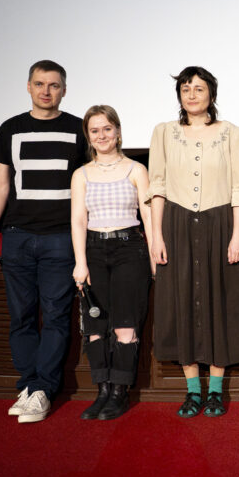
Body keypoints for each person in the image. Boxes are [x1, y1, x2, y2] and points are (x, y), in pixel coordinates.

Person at [0, 60, 86, 423]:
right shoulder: (11, 128)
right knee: (21, 317)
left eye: (54, 85)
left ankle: (42, 390)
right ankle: (28, 386)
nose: (46, 91)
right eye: (39, 84)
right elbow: (0, 185)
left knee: (56, 316)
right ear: (28, 86)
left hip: (61, 238)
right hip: (18, 237)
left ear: (64, 90)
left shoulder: (77, 129)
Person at [147, 66, 239, 418]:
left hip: (220, 223)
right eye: (186, 89)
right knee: (181, 301)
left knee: (221, 299)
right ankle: (192, 391)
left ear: (212, 94)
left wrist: (237, 235)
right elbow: (157, 187)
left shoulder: (233, 133)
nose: (192, 94)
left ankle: (216, 391)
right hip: (176, 225)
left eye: (199, 88)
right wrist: (157, 236)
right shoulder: (163, 132)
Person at [70, 105, 153, 420]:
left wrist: (154, 253)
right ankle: (102, 390)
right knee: (95, 326)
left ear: (117, 131)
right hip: (93, 250)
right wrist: (80, 263)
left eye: (107, 128)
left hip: (129, 249)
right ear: (88, 136)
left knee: (124, 325)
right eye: (95, 130)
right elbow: (78, 220)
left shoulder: (136, 169)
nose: (102, 135)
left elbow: (147, 216)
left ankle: (119, 392)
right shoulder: (81, 174)